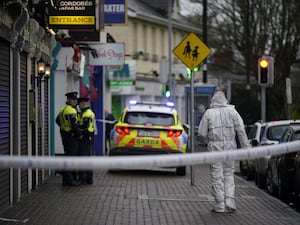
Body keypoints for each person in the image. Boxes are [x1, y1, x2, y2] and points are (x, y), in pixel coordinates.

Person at [197, 90, 250, 213]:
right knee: (228, 174)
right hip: (230, 147)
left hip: (215, 147)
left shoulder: (208, 113)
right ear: (225, 99)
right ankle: (230, 201)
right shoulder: (232, 112)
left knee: (217, 176)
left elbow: (201, 133)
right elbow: (241, 130)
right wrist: (246, 148)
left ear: (213, 99)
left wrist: (203, 142)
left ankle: (219, 204)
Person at [55, 91, 82, 186]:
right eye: (73, 100)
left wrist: (63, 128)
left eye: (75, 100)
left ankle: (66, 180)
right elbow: (73, 124)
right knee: (70, 158)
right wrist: (79, 134)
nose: (75, 102)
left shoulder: (63, 109)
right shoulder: (71, 110)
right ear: (69, 100)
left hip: (65, 136)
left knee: (67, 156)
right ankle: (70, 180)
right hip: (71, 137)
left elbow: (57, 120)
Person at [77, 97, 96, 184]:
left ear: (83, 104)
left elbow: (84, 126)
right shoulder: (86, 113)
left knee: (84, 158)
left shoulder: (87, 114)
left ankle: (84, 179)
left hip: (85, 138)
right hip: (88, 138)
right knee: (87, 158)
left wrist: (77, 129)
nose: (79, 106)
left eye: (79, 104)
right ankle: (88, 179)